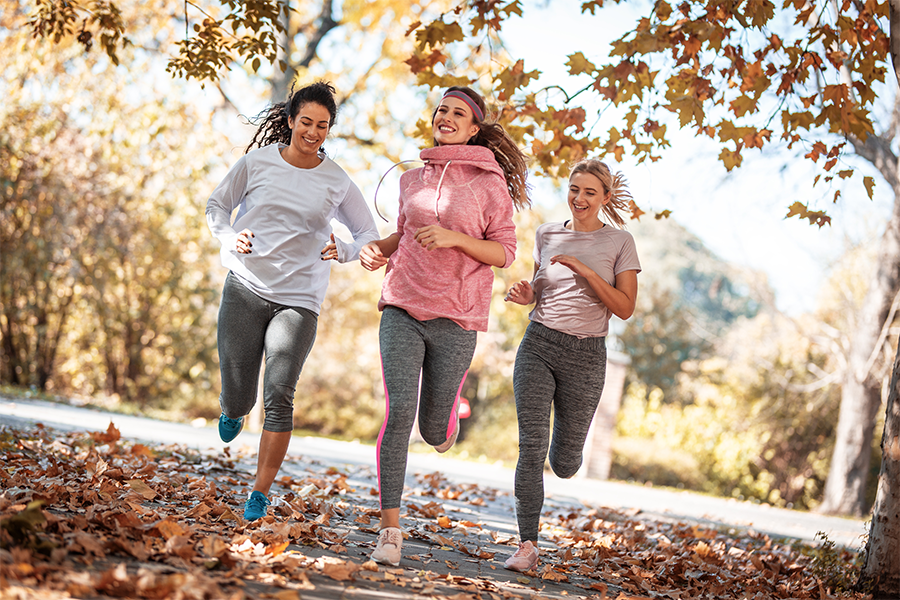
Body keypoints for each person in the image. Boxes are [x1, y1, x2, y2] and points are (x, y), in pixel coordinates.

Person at [359, 86, 531, 567]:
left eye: (458, 113)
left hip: (456, 316)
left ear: (475, 128)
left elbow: (505, 252)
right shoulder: (412, 178)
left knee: (432, 428)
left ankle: (446, 422)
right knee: (397, 413)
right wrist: (381, 249)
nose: (447, 117)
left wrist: (456, 237)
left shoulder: (489, 184)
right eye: (441, 110)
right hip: (402, 304)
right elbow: (404, 234)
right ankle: (390, 532)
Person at [206, 81, 379, 522]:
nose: (314, 132)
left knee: (280, 394)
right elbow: (217, 206)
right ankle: (233, 407)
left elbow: (367, 235)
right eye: (306, 122)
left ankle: (259, 492)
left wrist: (343, 249)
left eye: (323, 126)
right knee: (239, 391)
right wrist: (230, 235)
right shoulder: (256, 162)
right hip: (245, 285)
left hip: (299, 299)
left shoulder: (336, 180)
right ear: (290, 120)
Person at [502, 158, 641, 572]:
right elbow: (539, 290)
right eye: (574, 189)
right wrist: (525, 292)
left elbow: (625, 308)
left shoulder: (620, 242)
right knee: (531, 445)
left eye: (589, 192)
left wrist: (584, 270)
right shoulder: (546, 234)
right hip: (539, 344)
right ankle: (527, 544)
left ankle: (565, 459)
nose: (579, 199)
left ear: (605, 198)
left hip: (586, 355)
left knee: (564, 463)